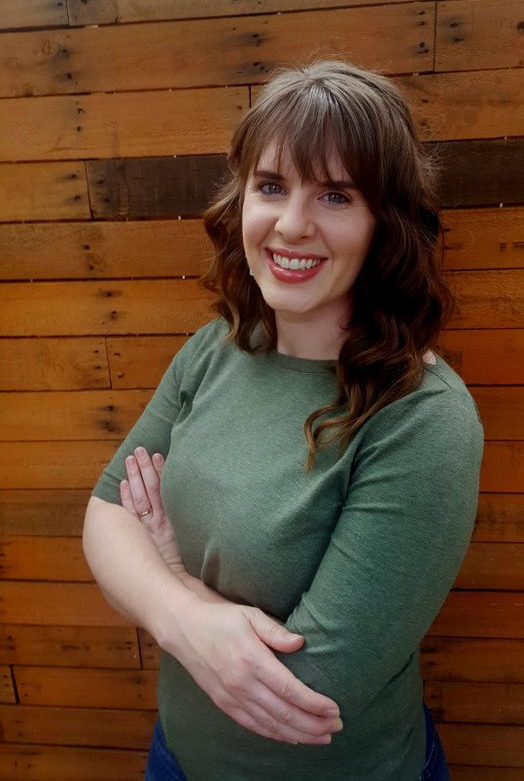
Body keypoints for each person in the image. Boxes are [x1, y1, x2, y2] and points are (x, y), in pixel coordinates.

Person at [83, 60, 484, 781]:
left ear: (382, 224)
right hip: (177, 759)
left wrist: (166, 573)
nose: (291, 223)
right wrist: (187, 614)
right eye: (272, 186)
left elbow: (306, 693)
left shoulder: (424, 419)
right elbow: (106, 511)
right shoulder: (218, 346)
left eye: (335, 195)